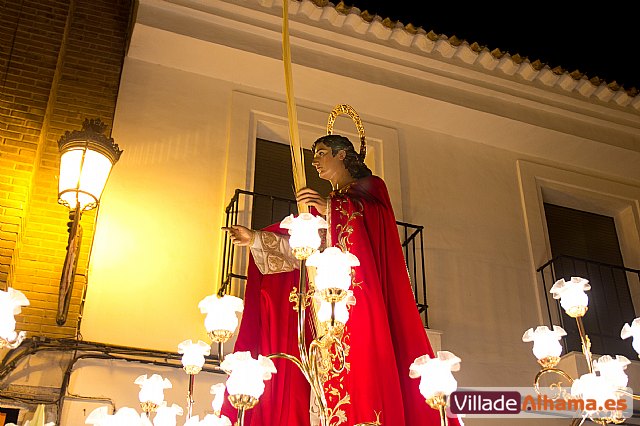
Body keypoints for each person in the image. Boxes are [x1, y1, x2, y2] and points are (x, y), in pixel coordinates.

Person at [221, 134, 459, 426]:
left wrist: (330, 208)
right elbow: (304, 248)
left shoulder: (370, 187)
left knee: (359, 367)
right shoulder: (328, 205)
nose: (315, 162)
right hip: (324, 309)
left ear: (342, 154)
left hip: (359, 298)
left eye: (322, 153)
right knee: (322, 377)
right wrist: (255, 239)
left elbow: (374, 218)